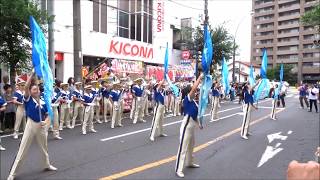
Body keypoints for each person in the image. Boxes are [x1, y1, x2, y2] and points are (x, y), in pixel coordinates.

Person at [7, 72, 57, 180]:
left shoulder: (43, 100)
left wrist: (46, 121)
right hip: (31, 124)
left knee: (44, 147)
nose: (36, 91)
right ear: (30, 91)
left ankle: (46, 164)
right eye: (34, 89)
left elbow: (49, 113)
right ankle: (13, 174)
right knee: (23, 149)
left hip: (41, 125)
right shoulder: (28, 99)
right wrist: (33, 74)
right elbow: (25, 86)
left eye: (37, 89)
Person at [175, 74, 204, 178]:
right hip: (186, 127)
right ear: (189, 92)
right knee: (183, 148)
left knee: (191, 146)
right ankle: (178, 169)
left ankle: (190, 163)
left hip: (191, 127)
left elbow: (194, 116)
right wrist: (199, 78)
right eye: (193, 90)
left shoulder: (194, 103)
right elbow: (194, 89)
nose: (195, 91)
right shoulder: (187, 99)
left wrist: (198, 124)